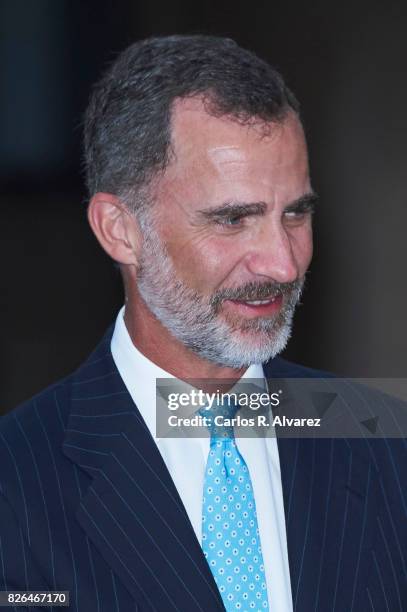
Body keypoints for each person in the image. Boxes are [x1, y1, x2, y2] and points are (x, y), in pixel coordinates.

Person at [0, 35, 405, 612]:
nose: (283, 263)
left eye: (295, 213)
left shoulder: (384, 440)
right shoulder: (15, 484)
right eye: (234, 219)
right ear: (121, 230)